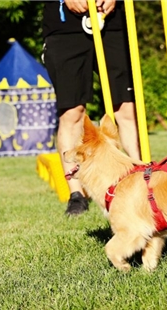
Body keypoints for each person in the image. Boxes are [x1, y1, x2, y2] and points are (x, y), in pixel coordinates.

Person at [43, 0, 141, 216]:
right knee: (72, 111)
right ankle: (77, 194)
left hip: (112, 21)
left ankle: (142, 174)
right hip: (64, 26)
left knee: (126, 107)